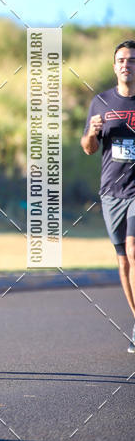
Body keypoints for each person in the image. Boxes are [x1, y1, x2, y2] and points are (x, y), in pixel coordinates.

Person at [81, 39, 135, 352]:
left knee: (133, 249)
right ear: (115, 67)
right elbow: (88, 148)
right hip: (112, 191)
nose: (126, 65)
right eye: (122, 60)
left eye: (132, 60)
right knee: (123, 260)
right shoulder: (101, 102)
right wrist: (91, 131)